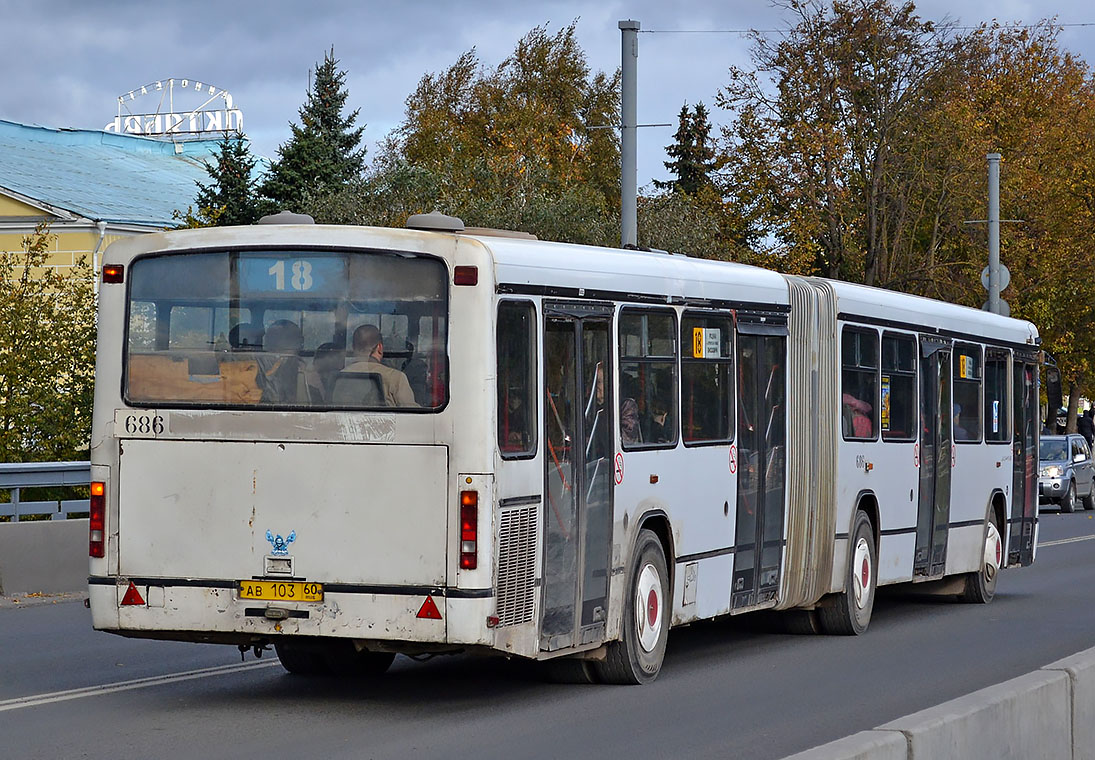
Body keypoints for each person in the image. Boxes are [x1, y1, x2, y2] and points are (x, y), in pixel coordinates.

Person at [344, 324, 418, 407]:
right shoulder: (396, 378)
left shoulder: (340, 377)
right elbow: (411, 414)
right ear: (379, 347)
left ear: (353, 347)